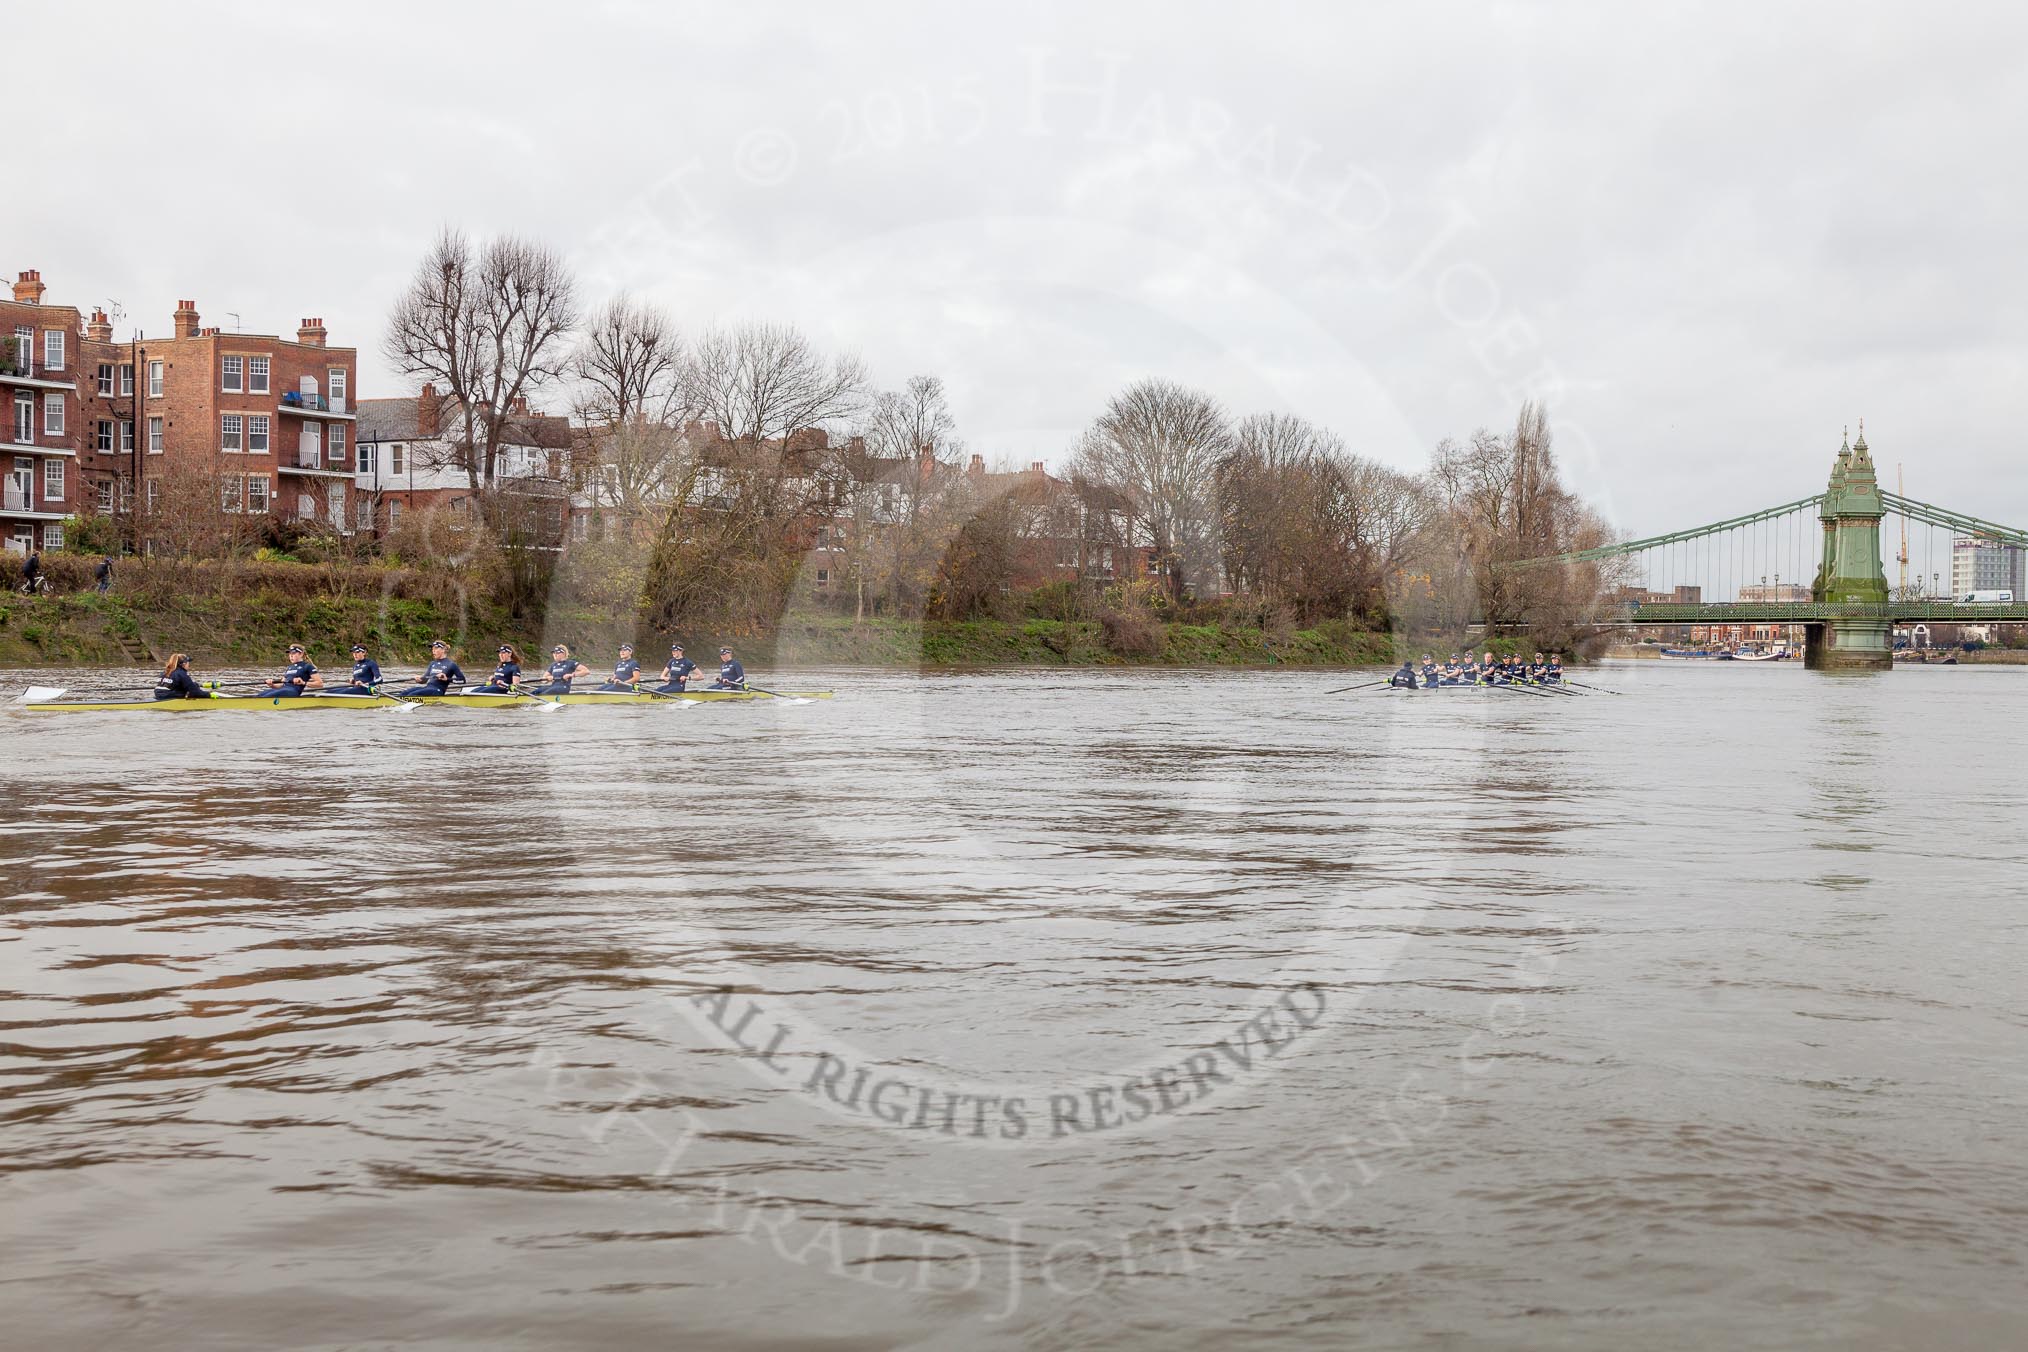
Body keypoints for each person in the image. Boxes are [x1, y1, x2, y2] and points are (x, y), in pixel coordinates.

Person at [397, 640, 467, 698]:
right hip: (428, 688)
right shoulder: (432, 663)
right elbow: (424, 680)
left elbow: (462, 680)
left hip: (438, 691)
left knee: (412, 695)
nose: (433, 651)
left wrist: (447, 679)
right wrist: (419, 679)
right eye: (432, 649)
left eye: (436, 649)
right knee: (403, 693)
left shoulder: (451, 664)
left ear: (443, 650)